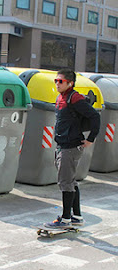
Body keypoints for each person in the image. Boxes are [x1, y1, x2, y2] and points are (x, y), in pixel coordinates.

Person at [45, 69, 100, 229]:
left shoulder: (74, 98)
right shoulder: (60, 97)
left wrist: (91, 138)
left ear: (70, 83)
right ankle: (76, 216)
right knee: (70, 181)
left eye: (60, 81)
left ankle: (66, 219)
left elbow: (95, 116)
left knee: (65, 183)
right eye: (56, 80)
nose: (57, 83)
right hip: (63, 145)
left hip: (70, 146)